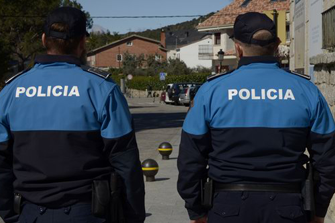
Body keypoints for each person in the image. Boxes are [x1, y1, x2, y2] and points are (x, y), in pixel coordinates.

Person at [177, 12, 335, 223]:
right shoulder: (306, 90)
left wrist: (195, 210)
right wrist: (319, 210)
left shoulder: (211, 91)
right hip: (289, 207)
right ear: (277, 44)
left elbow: (190, 159)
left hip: (227, 207)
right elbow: (327, 161)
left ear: (238, 48)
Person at [0, 7, 145, 223]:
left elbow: (2, 163)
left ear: (43, 39)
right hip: (88, 213)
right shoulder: (101, 88)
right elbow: (125, 162)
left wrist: (10, 214)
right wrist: (133, 217)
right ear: (82, 43)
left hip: (29, 213)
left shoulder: (11, 90)